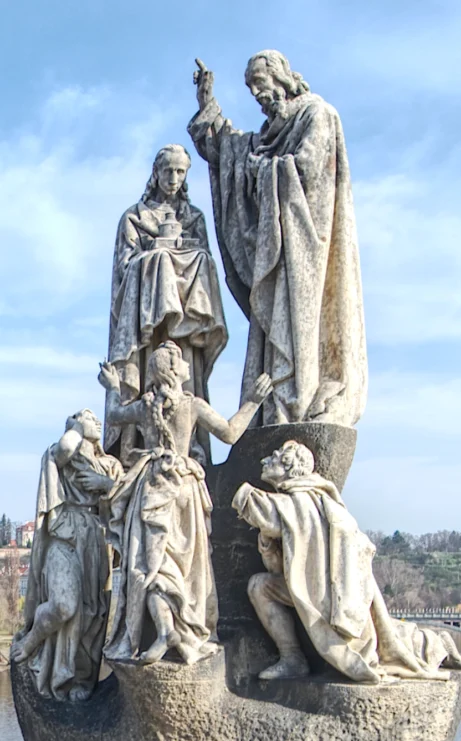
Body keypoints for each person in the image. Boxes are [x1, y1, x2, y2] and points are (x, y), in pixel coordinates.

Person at [188, 51, 367, 427]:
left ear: (281, 77)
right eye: (250, 85)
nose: (255, 92)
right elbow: (227, 151)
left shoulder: (317, 114)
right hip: (276, 246)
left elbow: (306, 168)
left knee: (297, 326)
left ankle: (293, 405)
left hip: (303, 248)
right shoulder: (269, 134)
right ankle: (268, 411)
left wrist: (263, 170)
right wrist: (208, 104)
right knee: (269, 327)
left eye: (259, 81)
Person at [99, 341, 272, 664]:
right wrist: (252, 402)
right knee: (185, 567)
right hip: (183, 488)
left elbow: (113, 414)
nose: (189, 366)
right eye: (182, 362)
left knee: (150, 567)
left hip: (152, 485)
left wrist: (112, 387)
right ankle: (172, 631)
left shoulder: (144, 405)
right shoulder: (192, 405)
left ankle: (166, 629)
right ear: (173, 370)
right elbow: (231, 433)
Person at [232, 441, 461, 682]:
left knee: (391, 638)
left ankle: (439, 644)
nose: (265, 462)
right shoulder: (305, 502)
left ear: (291, 467)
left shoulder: (302, 503)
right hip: (314, 588)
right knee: (260, 585)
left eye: (275, 458)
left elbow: (255, 506)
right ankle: (292, 658)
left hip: (331, 595)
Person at [107, 143, 228, 465]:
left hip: (187, 329)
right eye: (167, 171)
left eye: (180, 172)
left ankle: (190, 451)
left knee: (199, 258)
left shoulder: (194, 217)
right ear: (155, 173)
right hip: (145, 328)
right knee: (159, 258)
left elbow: (207, 261)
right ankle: (139, 452)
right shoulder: (135, 216)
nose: (173, 178)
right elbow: (124, 267)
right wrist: (159, 258)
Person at [11, 410, 124, 701]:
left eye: (96, 417)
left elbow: (127, 499)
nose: (96, 420)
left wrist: (106, 487)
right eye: (89, 416)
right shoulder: (63, 455)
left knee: (92, 615)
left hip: (96, 541)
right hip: (63, 534)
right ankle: (33, 640)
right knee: (64, 604)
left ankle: (81, 679)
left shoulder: (110, 465)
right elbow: (63, 448)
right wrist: (77, 426)